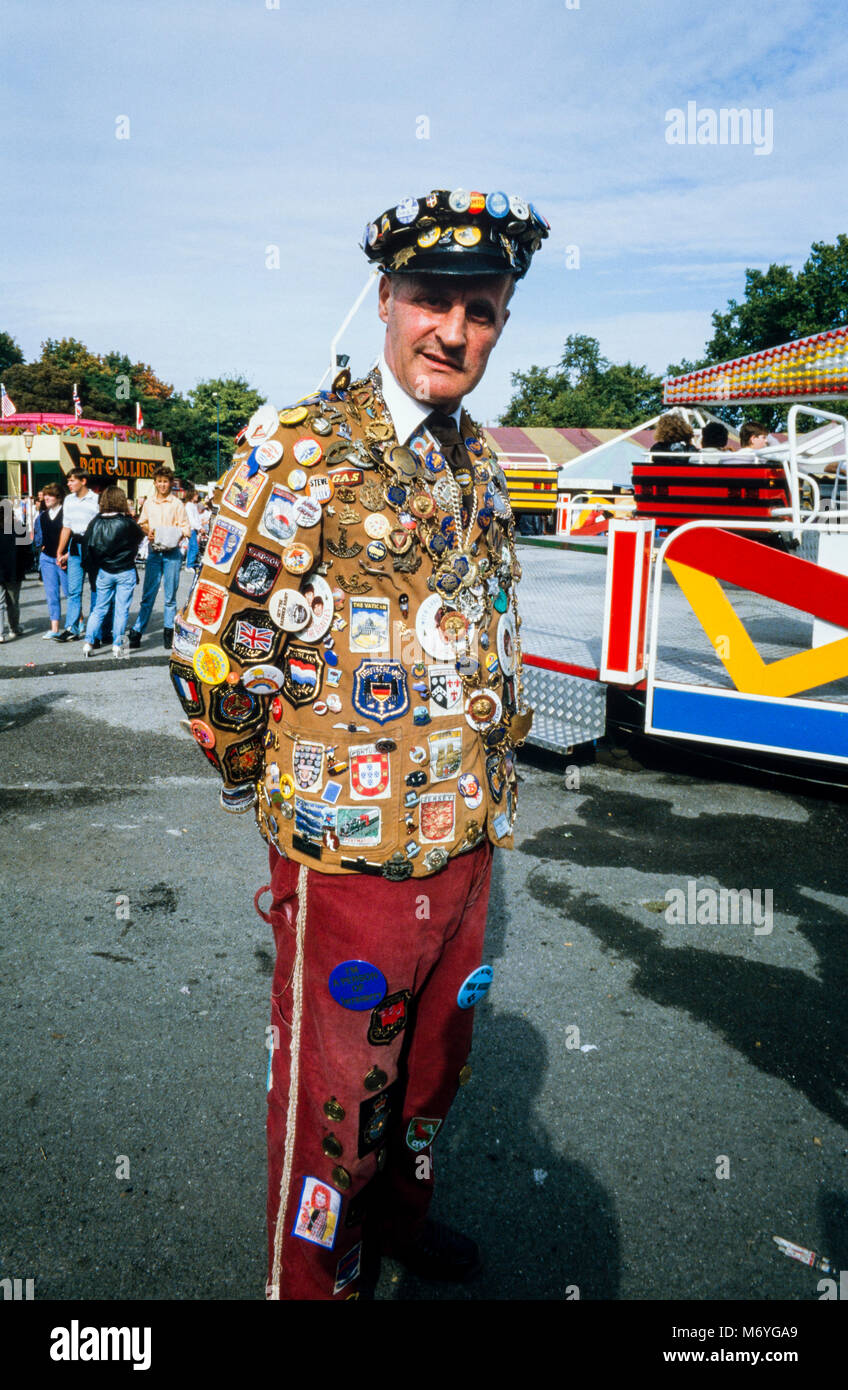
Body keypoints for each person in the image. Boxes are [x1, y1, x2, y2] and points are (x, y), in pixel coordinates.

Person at [169, 187, 547, 1301]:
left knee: (433, 1073)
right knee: (337, 1097)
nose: (453, 332)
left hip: (469, 839)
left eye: (479, 311)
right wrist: (276, 794)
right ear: (385, 298)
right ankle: (312, 1272)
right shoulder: (298, 446)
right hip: (344, 860)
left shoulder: (478, 460)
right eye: (432, 300)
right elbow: (215, 654)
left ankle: (403, 1210)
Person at [127, 467, 190, 651]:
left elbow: (186, 528)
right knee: (149, 594)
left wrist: (175, 536)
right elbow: (142, 523)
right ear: (155, 483)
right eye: (159, 481)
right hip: (154, 552)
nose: (162, 485)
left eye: (166, 481)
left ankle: (168, 632)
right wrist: (150, 533)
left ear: (171, 483)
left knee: (170, 596)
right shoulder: (149, 503)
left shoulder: (177, 504)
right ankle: (138, 630)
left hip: (172, 553)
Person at [80, 486, 144, 658]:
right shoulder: (127, 522)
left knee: (99, 609)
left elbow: (88, 547)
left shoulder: (95, 522)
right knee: (121, 610)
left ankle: (88, 643)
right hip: (125, 569)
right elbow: (140, 537)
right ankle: (117, 645)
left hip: (104, 570)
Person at [54, 469, 100, 641]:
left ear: (83, 481)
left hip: (93, 546)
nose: (68, 484)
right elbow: (66, 526)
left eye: (72, 480)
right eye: (68, 481)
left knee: (95, 588)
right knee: (74, 589)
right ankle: (72, 628)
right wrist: (60, 550)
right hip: (75, 545)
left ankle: (96, 628)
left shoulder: (96, 499)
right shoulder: (68, 500)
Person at [34, 481, 68, 637]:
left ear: (59, 497)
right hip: (47, 558)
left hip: (64, 559)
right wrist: (42, 548)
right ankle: (54, 628)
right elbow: (38, 537)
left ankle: (78, 622)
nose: (46, 498)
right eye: (45, 495)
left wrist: (66, 556)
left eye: (50, 495)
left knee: (70, 593)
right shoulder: (42, 516)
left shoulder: (66, 514)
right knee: (51, 594)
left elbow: (72, 536)